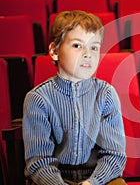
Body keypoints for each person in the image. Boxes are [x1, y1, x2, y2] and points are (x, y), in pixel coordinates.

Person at [22, 10, 127, 185]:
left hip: (97, 177)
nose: (88, 53)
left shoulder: (106, 94)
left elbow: (114, 155)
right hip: (55, 177)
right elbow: (39, 161)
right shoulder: (38, 99)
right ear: (54, 51)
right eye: (77, 45)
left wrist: (92, 182)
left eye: (94, 47)